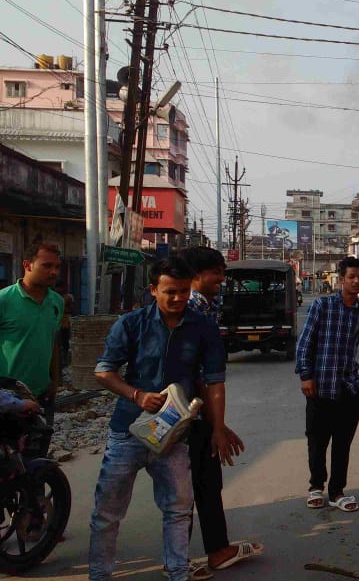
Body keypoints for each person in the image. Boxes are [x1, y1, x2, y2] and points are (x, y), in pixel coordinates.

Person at [89, 257, 227, 581]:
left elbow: (215, 381)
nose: (177, 298)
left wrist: (219, 427)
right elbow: (103, 371)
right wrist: (136, 395)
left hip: (175, 435)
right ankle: (99, 575)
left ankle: (177, 572)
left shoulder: (203, 327)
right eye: (169, 292)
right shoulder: (131, 324)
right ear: (153, 290)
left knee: (178, 510)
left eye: (182, 291)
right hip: (128, 432)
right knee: (107, 513)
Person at [180, 247, 262, 578]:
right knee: (187, 488)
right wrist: (217, 424)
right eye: (217, 272)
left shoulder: (205, 307)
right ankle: (180, 560)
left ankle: (216, 549)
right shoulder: (192, 310)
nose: (222, 279)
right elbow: (201, 374)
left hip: (197, 412)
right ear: (197, 275)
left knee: (205, 483)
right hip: (187, 413)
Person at [296, 256, 359, 512]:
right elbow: (305, 343)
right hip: (319, 387)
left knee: (342, 444)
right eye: (352, 277)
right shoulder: (322, 306)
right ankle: (315, 487)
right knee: (317, 442)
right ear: (341, 279)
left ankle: (337, 492)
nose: (357, 281)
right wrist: (305, 375)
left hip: (349, 390)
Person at [0, 241, 64, 441]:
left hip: (41, 394)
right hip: (7, 395)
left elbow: (53, 342)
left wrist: (54, 381)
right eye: (47, 266)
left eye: (57, 267)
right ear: (27, 265)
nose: (53, 272)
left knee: (37, 453)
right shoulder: (4, 300)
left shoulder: (57, 302)